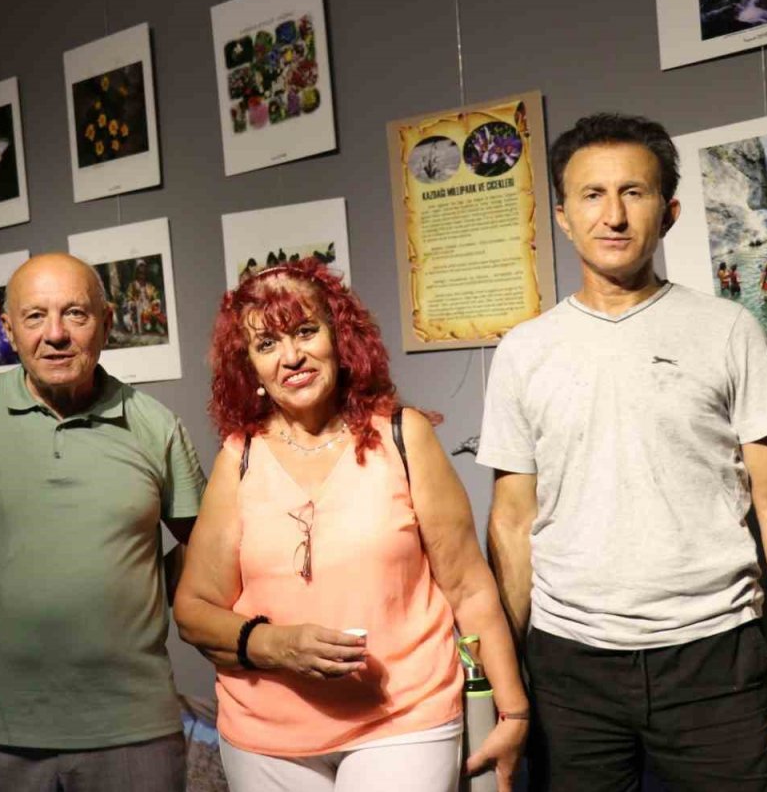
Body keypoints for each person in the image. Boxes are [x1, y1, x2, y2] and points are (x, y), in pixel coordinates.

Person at [479, 113, 767, 791]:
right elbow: (512, 519)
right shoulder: (522, 351)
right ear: (563, 216)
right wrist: (504, 673)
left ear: (669, 211)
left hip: (715, 655)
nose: (614, 215)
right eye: (592, 195)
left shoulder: (729, 330)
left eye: (634, 192)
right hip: (570, 664)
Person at [173, 260, 528, 792]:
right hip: (263, 733)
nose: (291, 356)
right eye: (266, 344)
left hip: (403, 717)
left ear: (340, 338)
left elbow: (469, 588)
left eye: (305, 331)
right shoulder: (239, 458)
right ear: (250, 368)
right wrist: (277, 644)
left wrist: (514, 711)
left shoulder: (403, 437)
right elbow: (194, 609)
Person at [0, 253, 205, 792]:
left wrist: (147, 588)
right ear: (8, 329)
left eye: (75, 313)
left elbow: (210, 547)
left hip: (134, 727)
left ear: (107, 321)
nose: (55, 334)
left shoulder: (155, 425)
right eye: (35, 316)